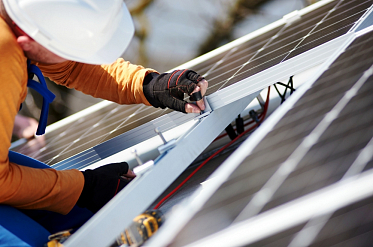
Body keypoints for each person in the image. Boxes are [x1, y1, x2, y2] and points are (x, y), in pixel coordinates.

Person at [0, 0, 208, 243]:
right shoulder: (4, 54)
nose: (72, 55)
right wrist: (85, 187)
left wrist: (147, 84)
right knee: (36, 241)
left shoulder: (21, 24)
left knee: (77, 214)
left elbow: (72, 68)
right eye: (67, 48)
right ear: (25, 42)